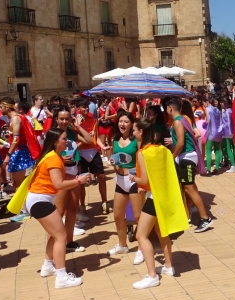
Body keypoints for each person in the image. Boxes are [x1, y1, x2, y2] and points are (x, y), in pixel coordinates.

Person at [25, 127, 91, 288]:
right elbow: (59, 184)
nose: (67, 141)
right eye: (63, 138)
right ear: (55, 142)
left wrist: (77, 178)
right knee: (61, 236)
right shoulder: (54, 159)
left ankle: (48, 266)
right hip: (40, 200)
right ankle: (61, 276)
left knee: (55, 235)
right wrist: (79, 182)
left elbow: (60, 178)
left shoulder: (53, 157)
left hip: (38, 200)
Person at [128, 118, 188, 289]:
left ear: (141, 132)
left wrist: (134, 179)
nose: (132, 133)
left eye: (134, 130)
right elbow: (159, 175)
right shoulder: (162, 149)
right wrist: (144, 187)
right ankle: (168, 266)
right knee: (162, 232)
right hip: (164, 196)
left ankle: (152, 275)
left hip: (154, 199)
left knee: (141, 235)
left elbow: (145, 179)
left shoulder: (142, 153)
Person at [51, 106, 94, 253]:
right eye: (61, 118)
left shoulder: (72, 132)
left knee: (73, 209)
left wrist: (77, 126)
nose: (64, 121)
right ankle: (58, 242)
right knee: (59, 210)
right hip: (60, 173)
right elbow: (44, 154)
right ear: (56, 119)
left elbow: (89, 140)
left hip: (74, 171)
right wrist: (59, 158)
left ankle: (69, 241)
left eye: (67, 119)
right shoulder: (52, 134)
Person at [166, 98, 212, 231]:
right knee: (188, 188)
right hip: (186, 157)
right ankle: (189, 215)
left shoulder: (178, 121)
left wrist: (172, 157)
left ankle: (205, 218)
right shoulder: (183, 119)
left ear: (170, 108)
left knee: (190, 189)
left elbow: (180, 143)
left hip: (187, 158)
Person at [107, 111, 144, 263]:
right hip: (120, 180)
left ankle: (142, 248)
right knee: (117, 215)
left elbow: (142, 158)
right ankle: (122, 245)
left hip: (134, 180)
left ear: (131, 124)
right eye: (120, 121)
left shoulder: (136, 140)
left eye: (126, 122)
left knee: (137, 217)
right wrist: (112, 162)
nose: (122, 124)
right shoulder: (115, 139)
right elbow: (115, 158)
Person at [2, 98, 41, 221]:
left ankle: (25, 210)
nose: (0, 109)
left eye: (2, 107)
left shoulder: (16, 118)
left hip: (18, 153)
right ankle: (24, 209)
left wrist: (8, 154)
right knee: (16, 183)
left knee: (18, 183)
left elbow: (16, 139)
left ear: (7, 107)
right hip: (18, 152)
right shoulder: (15, 118)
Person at [74, 98, 111, 214]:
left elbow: (96, 137)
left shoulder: (93, 120)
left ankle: (104, 202)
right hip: (81, 153)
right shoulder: (75, 121)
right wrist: (78, 125)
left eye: (87, 106)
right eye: (83, 107)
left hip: (93, 151)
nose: (85, 108)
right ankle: (82, 205)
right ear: (78, 109)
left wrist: (102, 146)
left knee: (102, 177)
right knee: (81, 181)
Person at [217, 98, 235, 173]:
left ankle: (233, 165)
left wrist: (225, 132)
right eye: (221, 102)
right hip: (230, 132)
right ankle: (232, 164)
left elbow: (227, 123)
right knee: (228, 149)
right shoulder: (230, 110)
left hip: (227, 132)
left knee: (228, 149)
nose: (221, 104)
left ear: (226, 103)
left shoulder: (227, 111)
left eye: (222, 102)